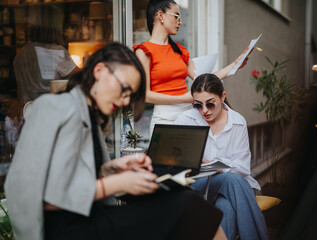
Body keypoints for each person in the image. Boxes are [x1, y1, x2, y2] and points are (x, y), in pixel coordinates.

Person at [4, 43, 226, 240]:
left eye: (131, 95)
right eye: (125, 89)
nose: (126, 100)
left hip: (90, 219)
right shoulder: (52, 107)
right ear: (99, 71)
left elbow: (72, 176)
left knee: (187, 200)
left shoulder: (88, 114)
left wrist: (111, 170)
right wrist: (115, 184)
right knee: (190, 207)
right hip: (68, 230)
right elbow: (34, 192)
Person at [174, 73, 268, 240]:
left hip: (230, 187)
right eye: (198, 105)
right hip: (198, 186)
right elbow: (174, 159)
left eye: (210, 104)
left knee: (226, 202)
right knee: (230, 184)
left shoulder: (237, 122)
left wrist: (209, 164)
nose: (204, 111)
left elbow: (242, 168)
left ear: (222, 97)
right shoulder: (185, 119)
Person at [134, 0, 251, 133]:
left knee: (193, 154)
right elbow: (145, 95)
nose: (180, 22)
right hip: (164, 118)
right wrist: (181, 99)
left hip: (190, 114)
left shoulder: (179, 51)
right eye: (176, 16)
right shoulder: (144, 51)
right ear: (160, 16)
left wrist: (235, 65)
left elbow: (204, 79)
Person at [13, 5, 79, 106]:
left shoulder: (21, 54)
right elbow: (82, 78)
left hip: (28, 115)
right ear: (56, 27)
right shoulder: (57, 52)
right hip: (51, 114)